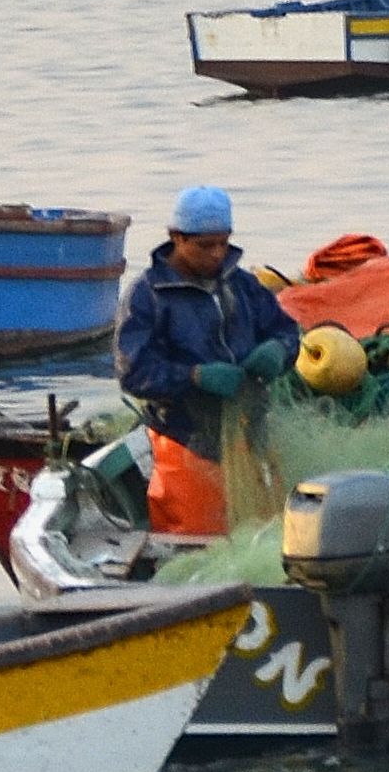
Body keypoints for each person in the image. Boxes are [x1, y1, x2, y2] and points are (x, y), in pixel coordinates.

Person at [114, 185, 293, 538]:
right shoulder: (148, 296)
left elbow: (286, 331)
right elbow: (133, 372)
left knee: (268, 533)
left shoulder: (244, 287)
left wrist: (279, 351)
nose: (217, 254)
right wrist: (194, 376)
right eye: (205, 246)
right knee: (200, 537)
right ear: (177, 238)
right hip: (184, 438)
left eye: (223, 243)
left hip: (250, 430)